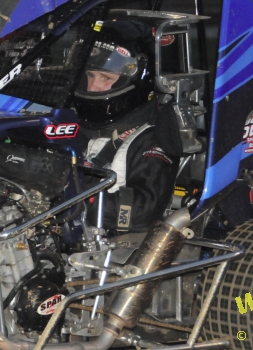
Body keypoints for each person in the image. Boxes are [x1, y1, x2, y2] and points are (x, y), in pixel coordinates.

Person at [73, 20, 179, 233]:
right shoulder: (71, 124)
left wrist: (74, 197)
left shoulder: (151, 137)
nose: (93, 87)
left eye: (105, 78)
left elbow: (142, 212)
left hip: (109, 250)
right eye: (90, 76)